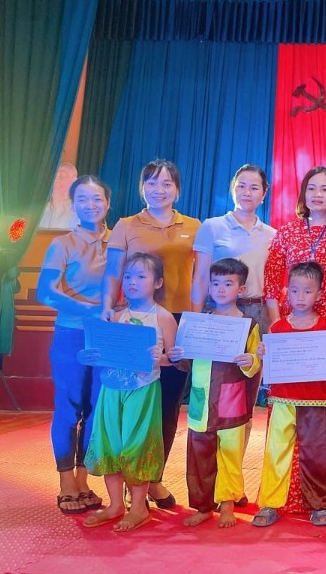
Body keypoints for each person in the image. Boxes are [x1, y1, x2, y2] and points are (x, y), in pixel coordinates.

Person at [101, 159, 201, 509]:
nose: (159, 190)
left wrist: (196, 318)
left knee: (168, 405)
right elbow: (114, 273)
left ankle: (152, 479)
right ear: (142, 188)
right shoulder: (126, 225)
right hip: (137, 321)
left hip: (178, 320)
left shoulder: (194, 226)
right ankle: (130, 480)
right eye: (152, 183)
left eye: (167, 183)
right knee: (131, 400)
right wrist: (107, 307)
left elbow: (200, 276)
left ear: (178, 190)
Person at [264, 166, 326, 513]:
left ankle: (324, 496)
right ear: (303, 194)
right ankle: (282, 496)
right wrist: (278, 329)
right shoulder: (287, 231)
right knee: (287, 412)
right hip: (291, 333)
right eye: (311, 188)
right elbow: (271, 280)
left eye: (325, 189)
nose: (318, 195)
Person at [81, 253, 177, 532]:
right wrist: (87, 356)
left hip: (142, 390)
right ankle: (115, 505)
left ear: (157, 283)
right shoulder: (115, 315)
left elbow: (175, 358)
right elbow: (100, 352)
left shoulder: (163, 317)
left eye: (141, 276)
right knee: (109, 446)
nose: (132, 282)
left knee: (136, 447)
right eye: (128, 276)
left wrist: (161, 359)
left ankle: (138, 508)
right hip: (111, 389)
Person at [37, 175, 111, 515]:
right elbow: (45, 292)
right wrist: (89, 311)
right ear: (74, 205)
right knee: (68, 408)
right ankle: (66, 482)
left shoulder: (119, 240)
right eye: (82, 199)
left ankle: (84, 479)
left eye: (97, 199)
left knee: (98, 408)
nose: (90, 205)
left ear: (108, 203)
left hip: (110, 336)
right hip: (71, 333)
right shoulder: (62, 244)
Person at [170, 258, 262, 528]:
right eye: (215, 283)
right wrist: (177, 356)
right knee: (199, 454)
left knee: (229, 453)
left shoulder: (249, 325)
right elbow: (186, 360)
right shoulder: (199, 322)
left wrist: (250, 360)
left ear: (241, 289)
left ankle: (228, 504)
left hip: (231, 399)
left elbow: (256, 361)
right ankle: (203, 506)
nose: (221, 289)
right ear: (209, 287)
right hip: (201, 399)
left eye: (228, 284)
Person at [254, 262, 326, 527]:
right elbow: (269, 363)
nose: (300, 297)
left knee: (315, 452)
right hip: (282, 399)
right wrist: (263, 353)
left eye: (308, 291)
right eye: (294, 291)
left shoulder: (325, 328)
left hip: (314, 399)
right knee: (276, 450)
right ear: (286, 292)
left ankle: (319, 504)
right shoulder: (277, 328)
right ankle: (270, 503)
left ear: (319, 295)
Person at [191, 164, 276, 334]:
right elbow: (201, 277)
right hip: (219, 309)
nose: (247, 193)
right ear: (233, 189)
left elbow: (272, 283)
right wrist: (195, 318)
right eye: (241, 186)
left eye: (254, 188)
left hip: (258, 311)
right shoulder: (211, 226)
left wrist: (274, 320)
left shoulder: (272, 234)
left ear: (264, 193)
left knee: (254, 353)